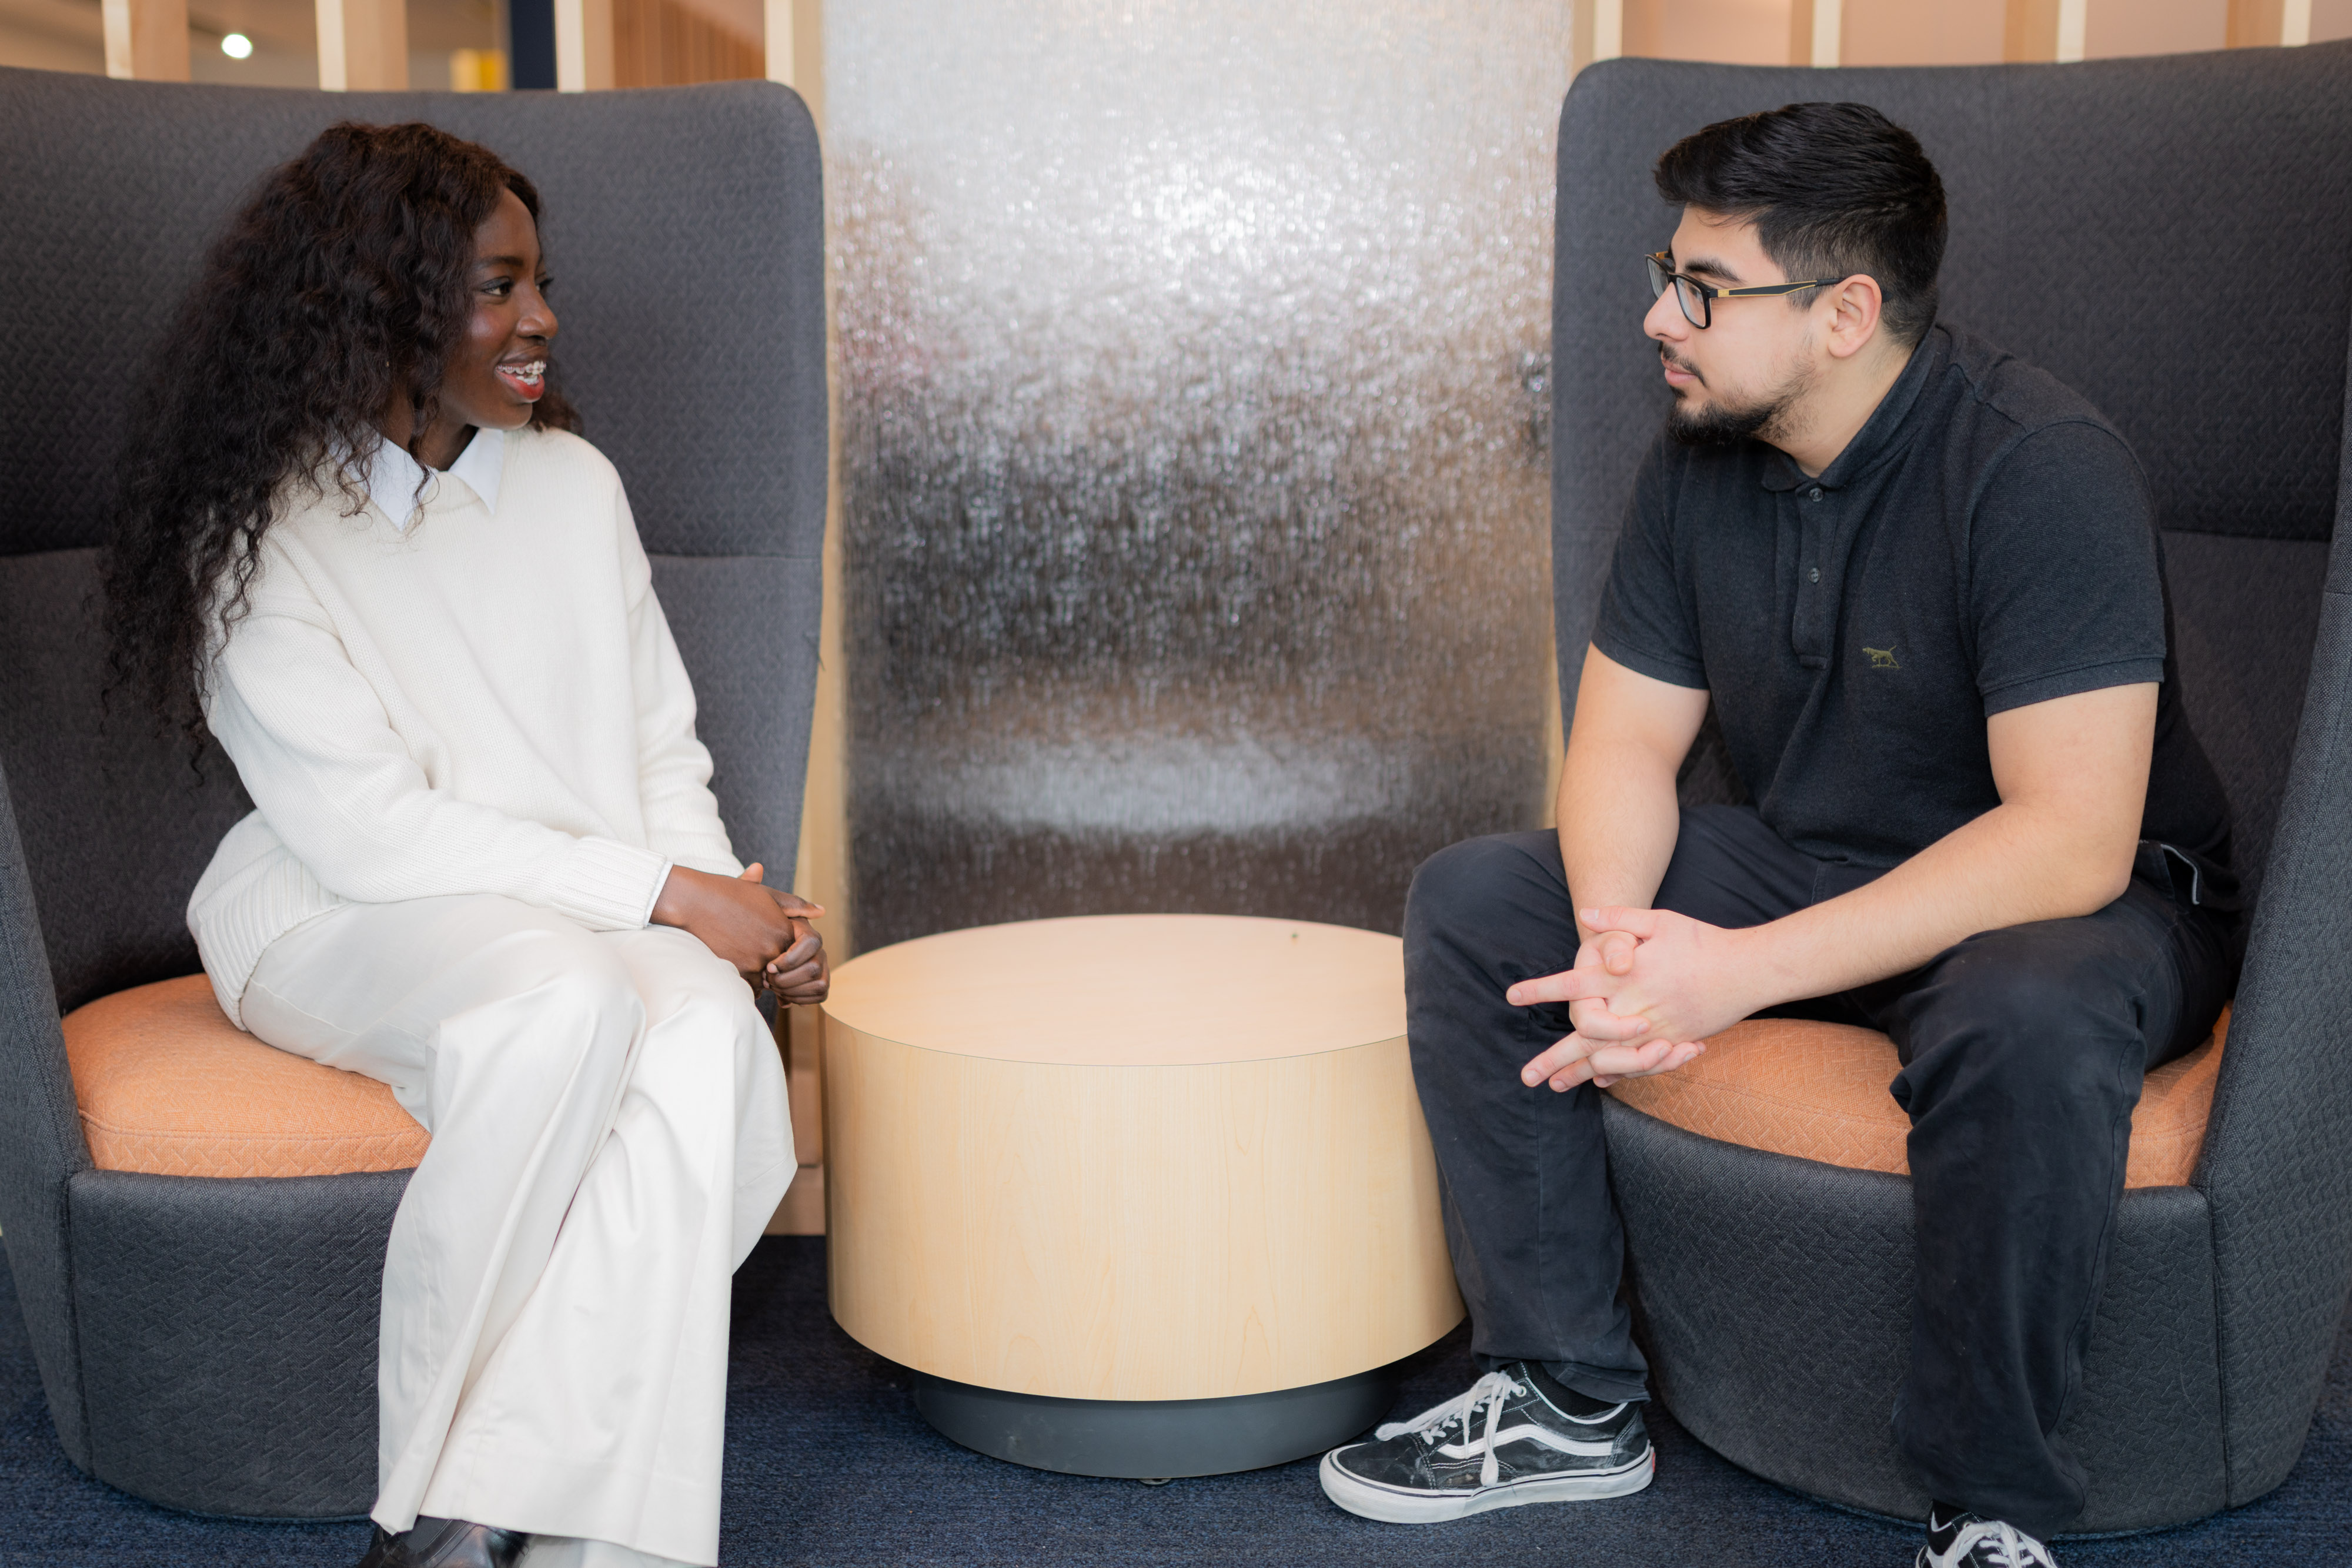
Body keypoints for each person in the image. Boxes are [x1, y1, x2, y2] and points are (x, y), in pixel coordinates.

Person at [1317, 102, 2234, 1568]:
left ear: (1843, 313)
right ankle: (1561, 1392)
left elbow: (2064, 838)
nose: (1653, 317)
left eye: (1701, 289)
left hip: (2065, 897)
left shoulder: (2037, 465)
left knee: (2024, 1011)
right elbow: (1622, 741)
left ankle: (1987, 1501)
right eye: (1663, 273)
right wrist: (1617, 937)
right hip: (1814, 849)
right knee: (1486, 897)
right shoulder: (1700, 454)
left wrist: (1729, 971)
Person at [102, 122, 825, 1568]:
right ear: (382, 303)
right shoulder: (257, 527)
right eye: (497, 288)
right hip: (336, 911)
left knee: (709, 1052)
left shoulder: (577, 487)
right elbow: (366, 833)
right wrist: (670, 894)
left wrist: (728, 902)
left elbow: (652, 749)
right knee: (554, 1005)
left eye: (538, 283)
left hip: (598, 901)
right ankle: (438, 1492)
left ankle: (486, 1521)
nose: (541, 318)